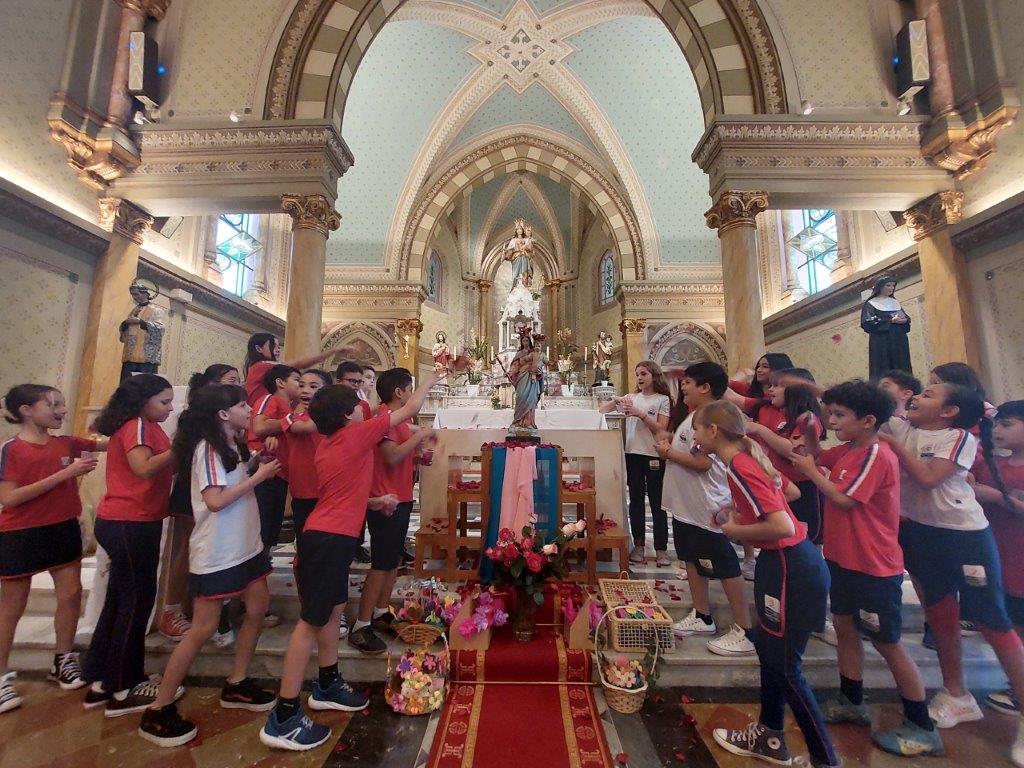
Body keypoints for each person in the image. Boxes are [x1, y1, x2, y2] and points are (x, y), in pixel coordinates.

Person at [260, 361, 464, 751]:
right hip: (328, 539)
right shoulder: (354, 436)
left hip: (331, 533)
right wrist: (433, 379)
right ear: (346, 416)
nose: (363, 407)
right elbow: (404, 412)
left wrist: (376, 500)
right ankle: (284, 714)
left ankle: (327, 681)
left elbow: (340, 491)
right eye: (356, 403)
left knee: (335, 610)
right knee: (310, 622)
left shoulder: (334, 443)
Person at [790, 380, 942, 756]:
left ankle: (921, 724)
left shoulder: (876, 454)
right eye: (832, 414)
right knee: (844, 626)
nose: (834, 421)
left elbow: (843, 500)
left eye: (840, 415)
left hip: (872, 564)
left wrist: (810, 470)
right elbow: (823, 458)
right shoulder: (850, 449)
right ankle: (851, 698)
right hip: (843, 559)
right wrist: (811, 435)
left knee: (887, 643)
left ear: (869, 420)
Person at [882, 383, 1024, 767]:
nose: (917, 397)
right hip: (921, 531)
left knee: (992, 620)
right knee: (941, 613)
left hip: (963, 536)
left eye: (928, 394)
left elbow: (930, 478)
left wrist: (896, 448)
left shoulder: (958, 438)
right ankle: (956, 695)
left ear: (949, 411)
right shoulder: (902, 428)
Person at [697, 401, 838, 768]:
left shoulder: (741, 464)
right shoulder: (745, 459)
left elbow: (783, 526)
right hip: (786, 564)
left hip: (791, 566)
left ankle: (826, 760)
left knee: (787, 668)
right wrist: (738, 509)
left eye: (698, 429)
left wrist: (734, 529)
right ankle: (770, 735)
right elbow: (787, 494)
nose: (694, 436)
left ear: (713, 431)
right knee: (770, 653)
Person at [139, 384, 281, 746]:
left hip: (245, 545)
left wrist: (254, 464)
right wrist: (258, 477)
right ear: (222, 413)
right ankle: (159, 707)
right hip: (218, 549)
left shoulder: (232, 442)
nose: (250, 410)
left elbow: (232, 479)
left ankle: (236, 682)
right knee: (202, 629)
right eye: (242, 405)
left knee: (258, 606)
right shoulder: (206, 449)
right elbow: (215, 500)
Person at [82, 374, 180, 717]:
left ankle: (100, 678)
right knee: (136, 602)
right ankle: (124, 686)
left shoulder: (146, 425)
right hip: (130, 521)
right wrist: (179, 447)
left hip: (132, 520)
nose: (169, 408)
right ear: (142, 402)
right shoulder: (137, 425)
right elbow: (142, 468)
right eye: (164, 402)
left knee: (119, 599)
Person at [0, 385, 101, 713]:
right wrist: (66, 473)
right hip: (21, 532)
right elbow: (11, 498)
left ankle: (64, 658)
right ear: (27, 410)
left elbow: (106, 443)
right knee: (11, 608)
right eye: (53, 404)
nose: (61, 409)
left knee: (70, 595)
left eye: (62, 403)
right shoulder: (12, 449)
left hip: (62, 527)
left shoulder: (66, 442)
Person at [656, 363, 755, 657]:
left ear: (705, 387)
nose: (682, 387)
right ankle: (702, 615)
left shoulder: (712, 417)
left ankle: (744, 628)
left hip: (705, 504)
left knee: (723, 563)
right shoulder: (693, 416)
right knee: (690, 557)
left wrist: (667, 451)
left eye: (687, 382)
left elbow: (703, 463)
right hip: (686, 504)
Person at [348, 368, 438, 655]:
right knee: (381, 564)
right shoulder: (384, 418)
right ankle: (361, 625)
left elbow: (403, 454)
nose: (412, 394)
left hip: (400, 495)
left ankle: (380, 611)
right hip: (384, 498)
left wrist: (419, 456)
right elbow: (390, 456)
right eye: (410, 388)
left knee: (393, 560)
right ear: (399, 392)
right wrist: (418, 438)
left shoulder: (402, 419)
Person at [160, 363, 242, 643]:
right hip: (193, 487)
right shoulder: (197, 419)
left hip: (214, 485)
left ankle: (206, 611)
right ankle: (173, 611)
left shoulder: (225, 419)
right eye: (230, 381)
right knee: (189, 549)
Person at [973, 400, 1024, 716]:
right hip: (996, 551)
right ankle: (1014, 686)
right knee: (1008, 622)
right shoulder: (989, 463)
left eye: (1008, 425)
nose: (999, 431)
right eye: (998, 424)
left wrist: (996, 496)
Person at [725, 352, 794, 579]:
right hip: (763, 464)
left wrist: (735, 529)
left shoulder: (790, 411)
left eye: (766, 366)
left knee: (781, 519)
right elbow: (732, 394)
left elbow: (791, 449)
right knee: (754, 509)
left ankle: (792, 561)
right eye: (759, 366)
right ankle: (750, 557)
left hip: (782, 472)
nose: (760, 370)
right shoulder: (761, 405)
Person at [745, 368, 827, 546]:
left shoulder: (807, 418)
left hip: (804, 485)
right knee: (783, 534)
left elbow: (793, 450)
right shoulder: (768, 410)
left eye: (777, 386)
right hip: (780, 482)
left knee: (807, 537)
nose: (770, 390)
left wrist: (760, 429)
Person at [602, 362, 672, 566]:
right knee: (636, 500)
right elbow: (602, 410)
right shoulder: (632, 398)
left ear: (654, 376)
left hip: (653, 453)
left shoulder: (662, 399)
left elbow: (661, 428)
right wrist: (615, 400)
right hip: (632, 453)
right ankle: (639, 545)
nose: (639, 378)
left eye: (644, 374)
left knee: (658, 502)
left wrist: (640, 414)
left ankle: (661, 548)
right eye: (637, 374)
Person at [249, 364, 301, 553]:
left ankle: (263, 564)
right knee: (262, 528)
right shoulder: (269, 399)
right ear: (280, 382)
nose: (300, 385)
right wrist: (290, 421)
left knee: (271, 528)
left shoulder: (289, 408)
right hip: (265, 470)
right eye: (296, 380)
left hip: (279, 473)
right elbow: (260, 427)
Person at [242, 333, 348, 410]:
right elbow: (301, 363)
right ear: (258, 348)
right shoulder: (261, 366)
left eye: (279, 347)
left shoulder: (262, 367)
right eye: (274, 346)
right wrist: (333, 351)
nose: (278, 350)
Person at [861, 275, 912, 380]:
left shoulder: (895, 302)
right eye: (888, 285)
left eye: (893, 286)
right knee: (884, 366)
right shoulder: (871, 303)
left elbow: (904, 317)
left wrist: (905, 320)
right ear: (880, 287)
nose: (891, 288)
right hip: (882, 341)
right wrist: (890, 321)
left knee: (902, 365)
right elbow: (867, 322)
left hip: (899, 340)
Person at [119, 280, 166, 381]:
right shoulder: (133, 310)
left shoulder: (156, 310)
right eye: (132, 295)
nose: (134, 297)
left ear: (145, 294)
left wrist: (140, 322)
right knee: (127, 388)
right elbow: (124, 334)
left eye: (136, 294)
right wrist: (126, 323)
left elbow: (160, 330)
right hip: (130, 357)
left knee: (143, 388)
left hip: (146, 359)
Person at [509, 327, 544, 431]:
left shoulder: (535, 352)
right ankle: (517, 422)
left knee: (531, 400)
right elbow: (515, 366)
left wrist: (539, 373)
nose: (525, 342)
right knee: (520, 397)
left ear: (530, 341)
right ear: (521, 341)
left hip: (531, 379)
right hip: (522, 377)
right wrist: (511, 372)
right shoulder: (519, 354)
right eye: (523, 340)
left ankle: (529, 423)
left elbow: (540, 365)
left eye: (527, 340)